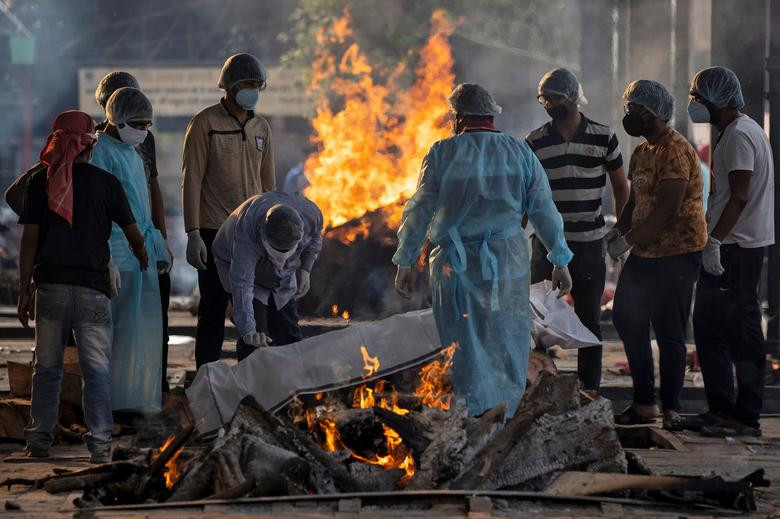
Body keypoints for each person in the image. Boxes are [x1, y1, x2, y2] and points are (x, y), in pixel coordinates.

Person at [393, 83, 573, 417]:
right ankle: (505, 412)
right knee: (507, 336)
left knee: (463, 339)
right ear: (491, 115)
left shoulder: (441, 153)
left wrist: (405, 261)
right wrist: (559, 260)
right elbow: (544, 209)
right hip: (507, 262)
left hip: (454, 267)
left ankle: (473, 410)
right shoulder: (519, 152)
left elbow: (419, 210)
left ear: (458, 118)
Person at [18, 111, 147, 462]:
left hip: (50, 289)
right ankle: (101, 445)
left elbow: (29, 242)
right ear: (90, 144)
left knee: (46, 369)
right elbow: (134, 234)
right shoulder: (106, 183)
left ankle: (39, 440)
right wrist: (143, 255)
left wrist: (23, 290)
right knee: (97, 371)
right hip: (92, 290)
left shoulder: (38, 183)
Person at [607, 79, 707, 430]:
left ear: (660, 113)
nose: (632, 115)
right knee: (626, 316)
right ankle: (644, 401)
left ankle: (672, 407)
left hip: (677, 252)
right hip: (647, 251)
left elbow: (666, 211)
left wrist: (628, 241)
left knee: (669, 330)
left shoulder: (675, 151)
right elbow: (635, 202)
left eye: (640, 110)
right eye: (630, 108)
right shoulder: (642, 151)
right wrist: (618, 230)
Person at [526, 68, 629, 395]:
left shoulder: (603, 136)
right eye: (544, 99)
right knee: (537, 321)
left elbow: (620, 188)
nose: (548, 105)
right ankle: (539, 385)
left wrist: (622, 232)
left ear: (571, 97)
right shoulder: (535, 141)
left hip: (588, 244)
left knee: (588, 319)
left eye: (554, 98)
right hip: (545, 246)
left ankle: (589, 390)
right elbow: (527, 197)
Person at [686, 67, 775, 437]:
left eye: (699, 98)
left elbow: (739, 195)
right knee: (710, 327)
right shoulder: (739, 131)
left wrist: (715, 242)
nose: (695, 104)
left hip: (735, 247)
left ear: (717, 100)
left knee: (740, 329)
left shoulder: (739, 136)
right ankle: (723, 408)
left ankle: (745, 414)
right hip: (735, 243)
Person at [182, 53, 276, 367]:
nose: (253, 89)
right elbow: (191, 178)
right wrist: (193, 233)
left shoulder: (262, 127)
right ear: (230, 86)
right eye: (248, 83)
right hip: (212, 229)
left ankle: (249, 380)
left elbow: (268, 184)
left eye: (257, 84)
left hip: (250, 233)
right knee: (212, 308)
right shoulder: (205, 123)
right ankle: (206, 379)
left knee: (251, 308)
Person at [94, 71, 174, 392]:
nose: (143, 128)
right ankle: (115, 395)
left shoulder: (140, 141)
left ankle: (150, 387)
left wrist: (160, 239)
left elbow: (150, 190)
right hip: (116, 247)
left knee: (150, 325)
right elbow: (99, 208)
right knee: (116, 328)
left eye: (146, 123)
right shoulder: (98, 146)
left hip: (143, 243)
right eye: (137, 122)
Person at [211, 192, 323, 360]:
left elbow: (315, 239)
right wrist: (249, 331)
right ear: (264, 235)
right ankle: (250, 383)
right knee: (256, 339)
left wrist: (305, 270)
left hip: (285, 274)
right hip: (237, 264)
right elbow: (243, 285)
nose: (280, 257)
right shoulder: (246, 234)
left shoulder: (311, 215)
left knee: (288, 331)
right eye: (277, 250)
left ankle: (291, 382)